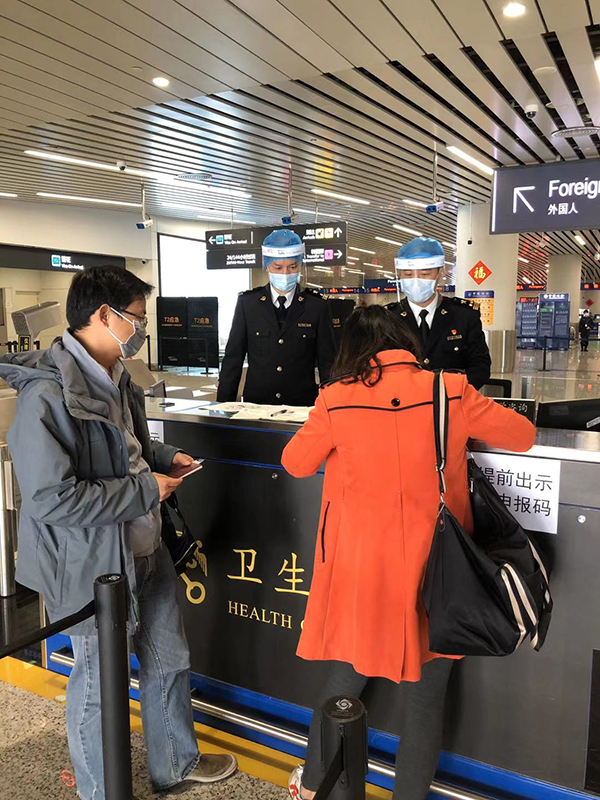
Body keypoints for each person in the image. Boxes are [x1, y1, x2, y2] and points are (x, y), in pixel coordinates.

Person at [0, 267, 237, 799]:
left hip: (144, 547)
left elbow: (125, 450)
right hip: (90, 564)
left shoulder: (115, 376)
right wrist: (146, 489)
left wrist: (162, 457)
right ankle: (100, 790)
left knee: (168, 661)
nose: (142, 329)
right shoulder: (47, 396)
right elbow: (51, 498)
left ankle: (175, 763)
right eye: (137, 318)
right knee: (97, 684)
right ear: (104, 316)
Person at [281, 306, 535, 800]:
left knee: (342, 683)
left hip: (364, 576)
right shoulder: (450, 390)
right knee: (426, 701)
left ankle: (311, 788)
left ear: (351, 350)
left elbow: (295, 463)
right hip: (441, 573)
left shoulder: (335, 399)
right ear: (407, 343)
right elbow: (523, 435)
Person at [217, 229, 336, 406]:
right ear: (267, 266)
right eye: (278, 267)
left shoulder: (317, 306)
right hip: (257, 405)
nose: (285, 273)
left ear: (300, 265)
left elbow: (328, 364)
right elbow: (233, 360)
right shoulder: (248, 304)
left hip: (301, 405)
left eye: (292, 267)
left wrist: (332, 408)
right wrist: (222, 408)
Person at [387, 237, 491, 389]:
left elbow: (480, 366)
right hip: (402, 400)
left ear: (440, 272)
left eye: (425, 274)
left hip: (452, 399)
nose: (416, 281)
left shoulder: (463, 315)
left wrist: (451, 393)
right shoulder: (387, 318)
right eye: (408, 275)